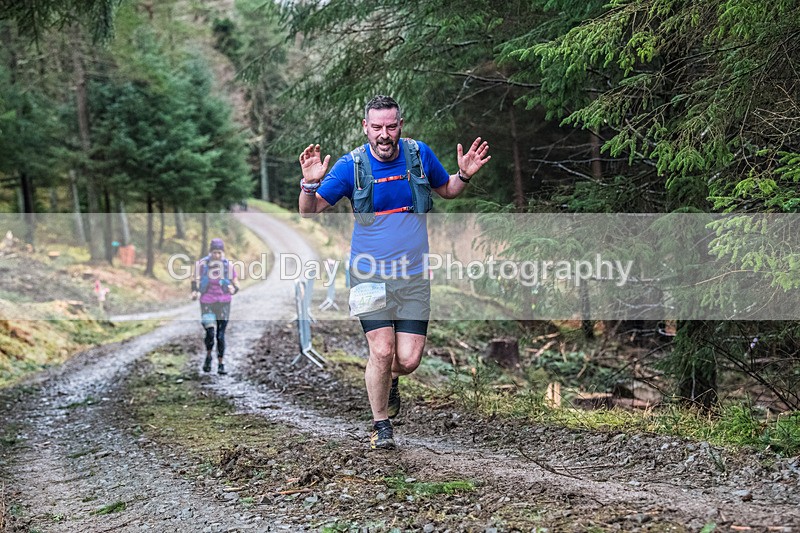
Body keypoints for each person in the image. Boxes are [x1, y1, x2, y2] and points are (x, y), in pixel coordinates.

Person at [298, 95, 490, 449]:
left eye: (390, 126)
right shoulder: (350, 166)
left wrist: (463, 174)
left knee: (408, 360)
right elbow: (310, 212)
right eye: (376, 127)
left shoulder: (418, 155)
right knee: (383, 351)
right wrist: (309, 184)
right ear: (365, 128)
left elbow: (446, 190)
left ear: (400, 125)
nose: (383, 135)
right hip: (368, 277)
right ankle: (381, 426)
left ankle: (387, 379)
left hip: (414, 277)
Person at [191, 238, 240, 375]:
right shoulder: (202, 264)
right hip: (207, 301)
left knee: (220, 335)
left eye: (219, 252)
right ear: (210, 252)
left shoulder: (228, 266)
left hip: (224, 302)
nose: (217, 255)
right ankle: (208, 356)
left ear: (223, 253)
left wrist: (234, 289)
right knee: (210, 332)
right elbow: (194, 278)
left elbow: (236, 282)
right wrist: (194, 291)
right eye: (214, 252)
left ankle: (221, 363)